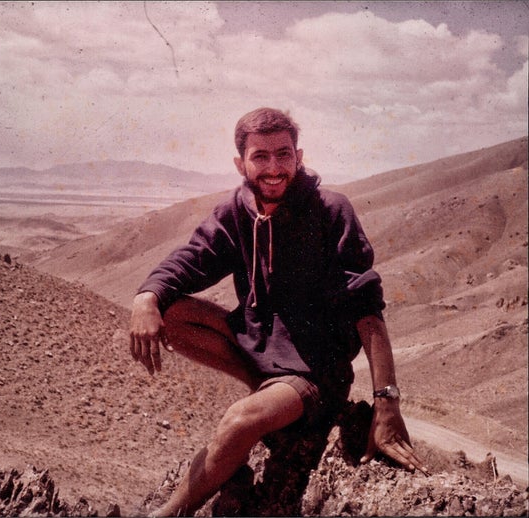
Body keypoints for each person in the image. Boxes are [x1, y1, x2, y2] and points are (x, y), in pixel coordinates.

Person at [129, 107, 427, 517]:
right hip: (259, 352)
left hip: (313, 373)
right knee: (171, 311)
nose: (274, 168)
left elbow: (368, 311)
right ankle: (266, 391)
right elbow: (191, 259)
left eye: (283, 154)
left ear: (298, 156)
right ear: (241, 163)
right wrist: (147, 297)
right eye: (260, 157)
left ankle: (171, 512)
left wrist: (387, 404)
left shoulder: (330, 210)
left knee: (237, 423)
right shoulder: (237, 212)